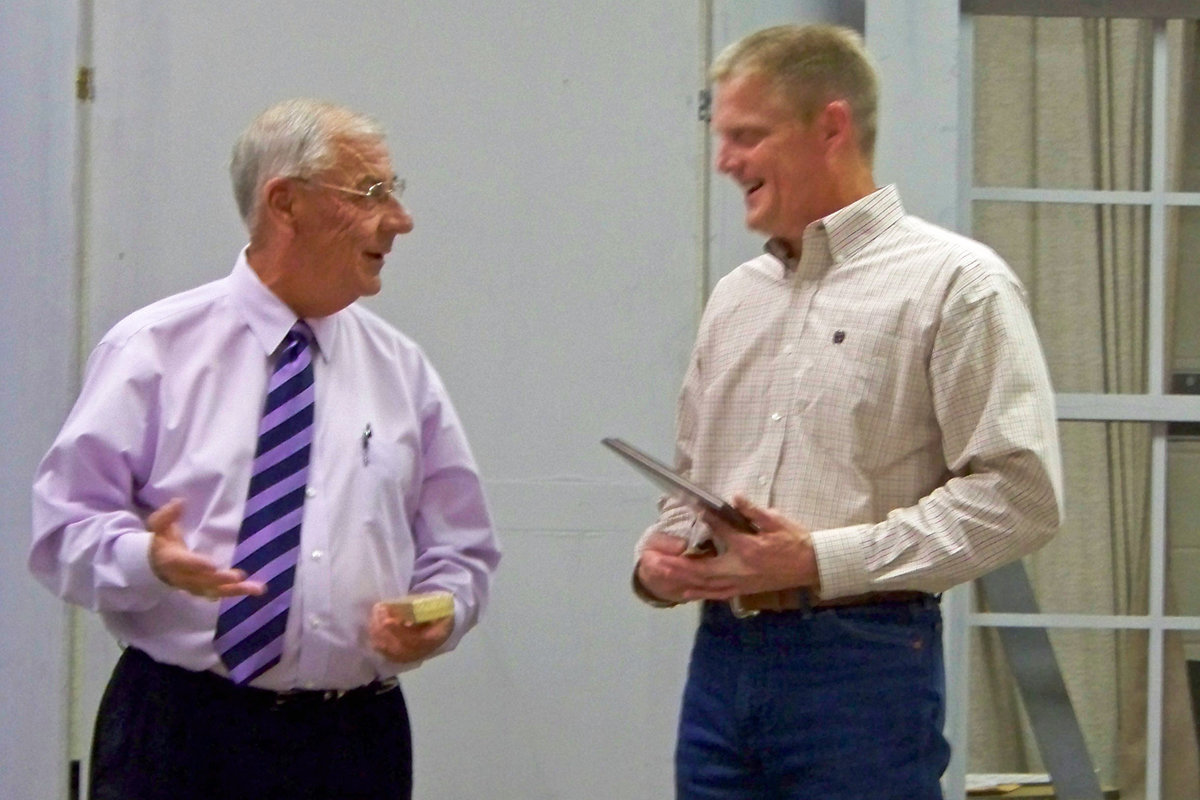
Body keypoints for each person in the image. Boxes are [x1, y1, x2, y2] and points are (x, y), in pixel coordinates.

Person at [632, 25, 1062, 799]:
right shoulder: (736, 298)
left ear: (829, 127)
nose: (723, 160)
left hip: (864, 666)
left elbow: (1019, 497)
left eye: (746, 136)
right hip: (722, 660)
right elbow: (693, 478)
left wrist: (822, 560)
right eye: (721, 135)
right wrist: (663, 558)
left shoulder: (956, 284)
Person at [29, 98, 501, 800]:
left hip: (352, 743)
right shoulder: (153, 351)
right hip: (179, 732)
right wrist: (148, 559)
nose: (398, 222)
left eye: (395, 196)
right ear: (286, 203)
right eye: (372, 194)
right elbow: (62, 533)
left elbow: (462, 552)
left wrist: (439, 613)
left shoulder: (401, 371)